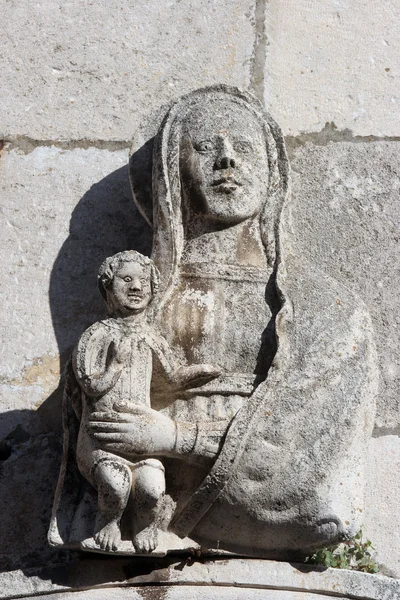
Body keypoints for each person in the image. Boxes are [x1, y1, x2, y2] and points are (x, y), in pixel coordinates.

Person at [73, 250, 220, 552]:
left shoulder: (151, 337)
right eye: (126, 279)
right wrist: (115, 365)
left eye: (143, 282)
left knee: (152, 492)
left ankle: (147, 525)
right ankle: (108, 522)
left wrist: (198, 373)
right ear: (107, 286)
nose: (136, 287)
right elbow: (88, 385)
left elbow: (170, 379)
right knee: (115, 487)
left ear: (153, 291)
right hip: (102, 441)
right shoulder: (96, 334)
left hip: (142, 443)